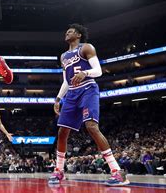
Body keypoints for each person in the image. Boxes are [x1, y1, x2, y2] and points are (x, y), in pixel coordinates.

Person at [48, 24, 129, 186]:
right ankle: (59, 170)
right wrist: (58, 99)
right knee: (62, 131)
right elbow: (66, 80)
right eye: (66, 30)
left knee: (91, 126)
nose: (67, 32)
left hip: (88, 89)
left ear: (78, 35)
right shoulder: (63, 56)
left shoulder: (86, 47)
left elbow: (98, 70)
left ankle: (117, 171)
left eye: (70, 31)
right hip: (71, 93)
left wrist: (85, 73)